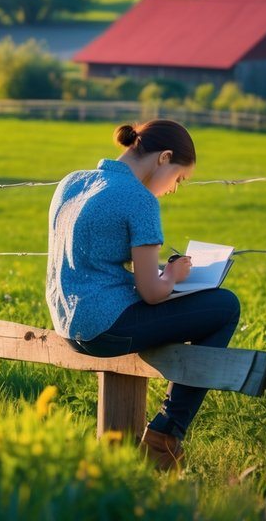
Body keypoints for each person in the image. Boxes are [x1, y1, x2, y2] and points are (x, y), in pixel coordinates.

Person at [45, 119, 241, 471]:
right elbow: (152, 293)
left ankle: (162, 437)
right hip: (106, 328)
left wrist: (161, 277)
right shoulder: (139, 201)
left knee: (203, 306)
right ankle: (164, 436)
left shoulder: (72, 182)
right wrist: (175, 275)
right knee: (225, 306)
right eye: (179, 179)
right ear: (164, 158)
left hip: (65, 321)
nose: (173, 189)